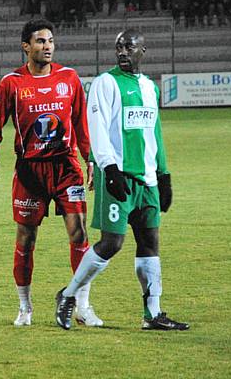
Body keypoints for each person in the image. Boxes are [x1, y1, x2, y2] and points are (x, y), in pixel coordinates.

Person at [54, 29, 190, 331]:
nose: (123, 52)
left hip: (147, 181)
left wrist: (164, 174)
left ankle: (152, 314)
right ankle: (69, 294)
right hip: (118, 177)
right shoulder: (106, 83)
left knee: (150, 243)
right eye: (119, 47)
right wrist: (109, 169)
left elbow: (154, 132)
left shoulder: (149, 88)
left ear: (143, 50)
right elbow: (97, 127)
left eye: (129, 47)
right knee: (112, 243)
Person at [0, 19, 99, 327]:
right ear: (26, 47)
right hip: (30, 171)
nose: (47, 46)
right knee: (26, 239)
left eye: (50, 41)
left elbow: (80, 124)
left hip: (66, 168)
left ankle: (82, 306)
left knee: (79, 234)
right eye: (40, 41)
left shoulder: (69, 79)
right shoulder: (11, 83)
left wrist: (90, 159)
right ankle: (25, 307)